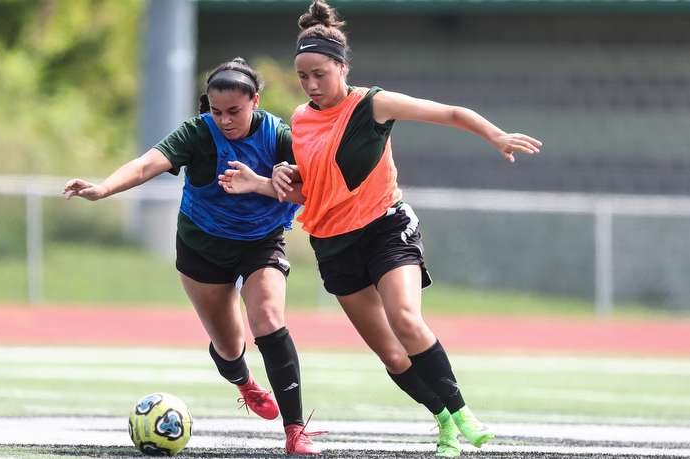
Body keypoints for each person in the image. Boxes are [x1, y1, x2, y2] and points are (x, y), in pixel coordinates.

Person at [218, 2, 542, 457]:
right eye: (304, 76)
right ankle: (444, 422)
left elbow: (449, 112)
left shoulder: (373, 103)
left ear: (341, 67)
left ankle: (464, 412)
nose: (311, 85)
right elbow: (315, 194)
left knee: (406, 319)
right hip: (333, 246)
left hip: (385, 229)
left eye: (319, 74)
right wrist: (259, 183)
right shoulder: (301, 118)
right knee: (391, 354)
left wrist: (497, 135)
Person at [63, 58, 322, 455]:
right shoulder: (197, 134)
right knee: (230, 346)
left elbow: (320, 178)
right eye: (216, 112)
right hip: (202, 248)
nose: (225, 120)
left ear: (255, 101)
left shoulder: (279, 135)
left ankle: (295, 430)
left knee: (267, 318)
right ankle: (245, 383)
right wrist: (104, 189)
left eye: (234, 111)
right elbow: (148, 163)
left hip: (260, 242)